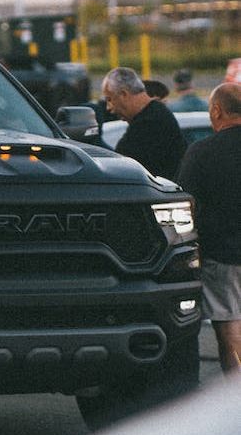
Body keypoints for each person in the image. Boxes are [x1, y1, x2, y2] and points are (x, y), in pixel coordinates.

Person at [177, 82, 241, 375]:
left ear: (216, 110)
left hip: (223, 256)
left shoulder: (201, 152)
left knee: (230, 327)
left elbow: (185, 205)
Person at [102, 67, 187, 179]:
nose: (109, 108)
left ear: (123, 94)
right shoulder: (156, 114)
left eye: (109, 99)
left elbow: (119, 169)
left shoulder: (148, 123)